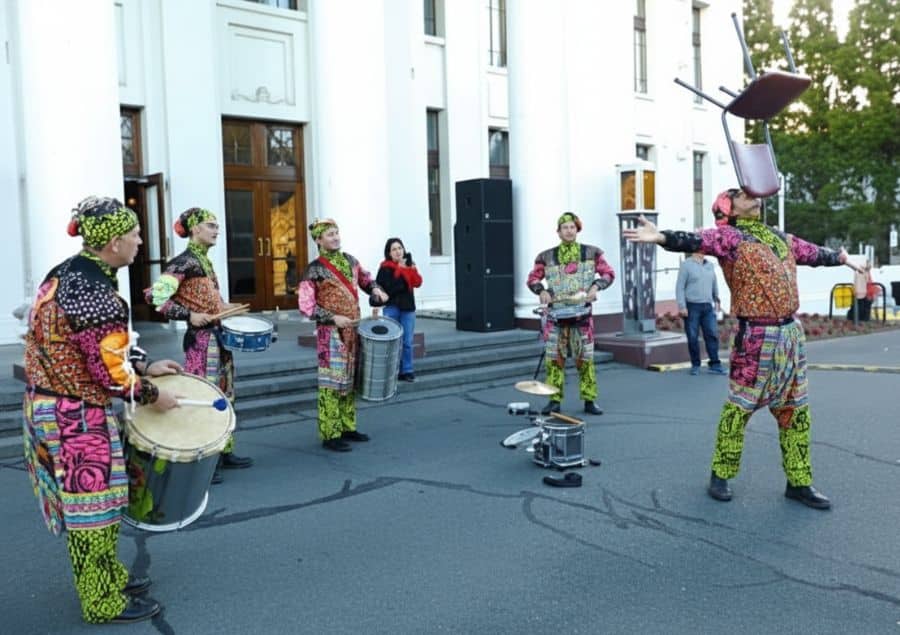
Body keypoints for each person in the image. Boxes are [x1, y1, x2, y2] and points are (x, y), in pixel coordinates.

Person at [624, 187, 865, 510]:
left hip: (790, 336)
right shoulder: (729, 237)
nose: (754, 197)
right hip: (755, 336)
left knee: (796, 411)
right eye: (743, 195)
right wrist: (662, 237)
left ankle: (799, 482)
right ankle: (720, 474)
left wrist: (841, 258)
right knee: (739, 409)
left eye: (753, 194)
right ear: (729, 209)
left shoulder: (779, 237)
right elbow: (696, 240)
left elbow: (812, 253)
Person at [22, 196, 183, 624]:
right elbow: (109, 374)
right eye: (135, 234)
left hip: (54, 405)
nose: (140, 241)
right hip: (72, 414)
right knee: (92, 510)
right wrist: (152, 393)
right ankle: (101, 601)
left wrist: (144, 364)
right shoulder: (96, 293)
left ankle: (109, 577)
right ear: (114, 242)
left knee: (103, 503)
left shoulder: (66, 273)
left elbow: (101, 347)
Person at [145, 207, 253, 483]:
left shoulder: (204, 262)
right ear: (195, 229)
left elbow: (209, 302)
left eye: (217, 225)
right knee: (205, 398)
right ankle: (205, 460)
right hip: (201, 343)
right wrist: (189, 315)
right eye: (211, 225)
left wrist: (228, 308)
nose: (217, 230)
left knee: (225, 394)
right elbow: (155, 297)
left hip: (219, 338)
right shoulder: (183, 263)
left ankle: (223, 451)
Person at [298, 218, 388, 451]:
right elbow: (306, 306)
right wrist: (332, 317)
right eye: (330, 234)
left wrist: (376, 289)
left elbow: (366, 280)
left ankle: (348, 426)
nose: (336, 237)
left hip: (353, 330)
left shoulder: (351, 261)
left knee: (349, 380)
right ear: (319, 240)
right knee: (331, 383)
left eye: (337, 232)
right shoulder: (314, 269)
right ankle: (330, 433)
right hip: (330, 334)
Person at [526, 212, 615, 416]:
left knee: (585, 360)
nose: (569, 231)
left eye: (572, 227)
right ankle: (554, 401)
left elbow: (608, 273)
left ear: (577, 230)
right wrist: (542, 291)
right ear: (558, 232)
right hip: (555, 319)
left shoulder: (592, 253)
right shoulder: (545, 256)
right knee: (554, 361)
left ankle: (589, 400)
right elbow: (532, 279)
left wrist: (596, 286)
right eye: (564, 228)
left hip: (582, 318)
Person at [376, 237, 423, 382]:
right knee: (392, 341)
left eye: (400, 248)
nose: (398, 252)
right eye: (394, 249)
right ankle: (392, 370)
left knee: (407, 341)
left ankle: (407, 370)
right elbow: (390, 288)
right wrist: (400, 269)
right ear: (389, 253)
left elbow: (417, 283)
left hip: (408, 308)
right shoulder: (385, 268)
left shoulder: (409, 265)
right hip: (392, 308)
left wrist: (412, 269)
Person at [675, 252, 726, 375]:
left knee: (712, 335)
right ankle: (695, 365)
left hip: (708, 306)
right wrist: (682, 306)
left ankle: (715, 365)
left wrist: (717, 299)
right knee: (693, 337)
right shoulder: (686, 265)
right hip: (692, 306)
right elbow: (680, 287)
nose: (705, 250)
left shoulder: (710, 265)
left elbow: (714, 283)